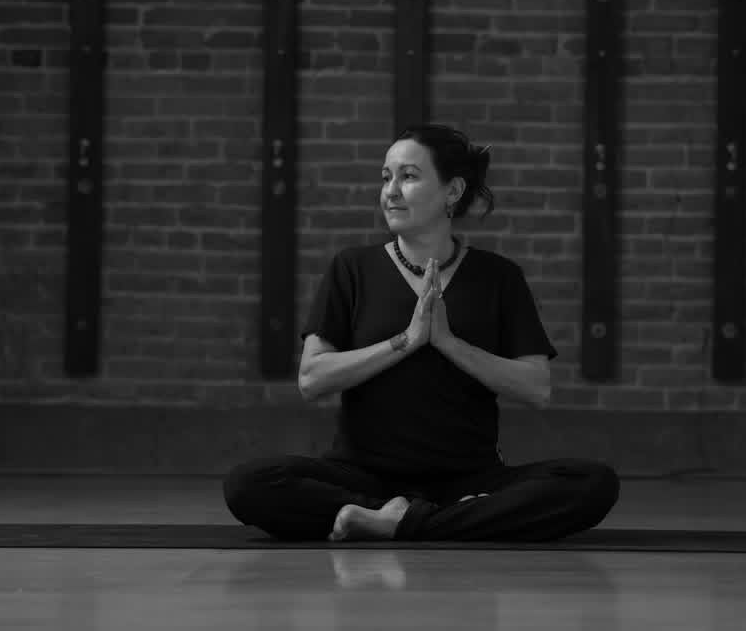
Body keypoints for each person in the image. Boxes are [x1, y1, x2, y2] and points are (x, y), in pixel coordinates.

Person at [223, 124, 619, 542]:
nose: (390, 191)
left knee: (592, 483)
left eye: (408, 176)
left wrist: (449, 343)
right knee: (248, 484)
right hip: (362, 478)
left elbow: (536, 386)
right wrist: (406, 340)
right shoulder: (352, 269)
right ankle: (437, 520)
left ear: (452, 191)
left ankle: (396, 520)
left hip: (469, 478)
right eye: (386, 177)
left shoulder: (498, 277)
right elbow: (312, 378)